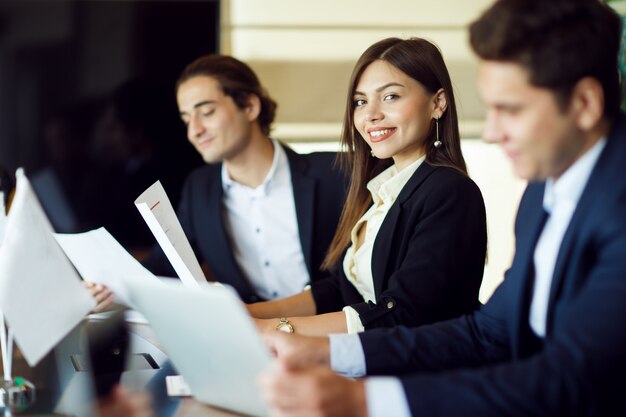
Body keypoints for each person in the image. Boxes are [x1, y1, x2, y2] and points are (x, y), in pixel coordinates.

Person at [259, 0, 626, 416]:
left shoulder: (615, 208)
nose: (490, 133)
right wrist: (328, 353)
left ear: (584, 104)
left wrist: (362, 400)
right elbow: (489, 333)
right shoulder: (543, 192)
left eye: (511, 109)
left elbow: (571, 380)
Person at [249, 37, 487, 336]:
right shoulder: (381, 191)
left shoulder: (449, 191)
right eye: (361, 101)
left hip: (421, 375)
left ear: (437, 103)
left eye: (390, 97)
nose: (370, 114)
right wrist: (244, 314)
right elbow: (339, 291)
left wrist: (277, 329)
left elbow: (402, 312)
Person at [145, 55, 347, 303]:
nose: (194, 131)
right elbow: (164, 268)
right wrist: (108, 288)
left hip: (332, 332)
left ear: (250, 106)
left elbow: (357, 281)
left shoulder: (336, 172)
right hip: (250, 336)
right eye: (186, 119)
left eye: (206, 112)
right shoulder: (199, 188)